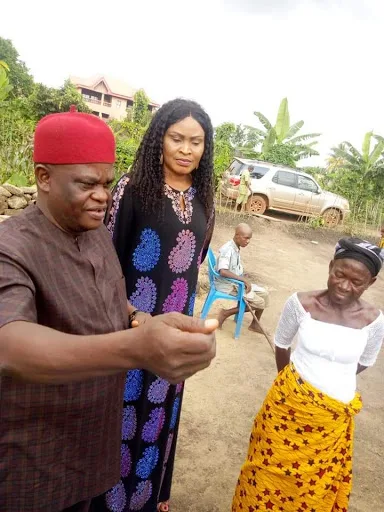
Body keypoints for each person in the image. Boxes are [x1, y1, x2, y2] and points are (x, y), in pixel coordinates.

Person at [0, 108, 218, 512]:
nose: (102, 196)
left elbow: (113, 296)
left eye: (106, 182)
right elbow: (9, 345)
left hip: (93, 445)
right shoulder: (10, 248)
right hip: (37, 458)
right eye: (87, 184)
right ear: (43, 177)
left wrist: (141, 318)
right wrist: (138, 346)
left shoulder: (94, 231)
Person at [94, 98, 215, 512]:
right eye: (176, 138)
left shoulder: (204, 198)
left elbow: (193, 266)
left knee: (160, 415)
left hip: (175, 331)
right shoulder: (133, 189)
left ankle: (148, 496)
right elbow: (107, 260)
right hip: (129, 327)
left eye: (195, 141)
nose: (185, 149)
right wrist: (131, 314)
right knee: (120, 419)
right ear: (158, 141)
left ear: (205, 147)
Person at [232, 237, 384, 512]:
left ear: (371, 283)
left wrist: (330, 382)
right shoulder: (301, 303)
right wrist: (294, 387)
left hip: (332, 423)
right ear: (330, 267)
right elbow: (282, 344)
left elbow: (365, 362)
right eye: (339, 275)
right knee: (266, 475)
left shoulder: (374, 320)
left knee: (315, 490)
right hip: (286, 410)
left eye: (356, 282)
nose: (344, 286)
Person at [215, 223, 269, 333]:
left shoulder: (236, 247)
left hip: (235, 283)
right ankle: (225, 313)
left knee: (265, 294)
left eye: (250, 239)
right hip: (228, 285)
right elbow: (223, 271)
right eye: (246, 238)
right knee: (260, 303)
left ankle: (254, 324)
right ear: (237, 235)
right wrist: (243, 280)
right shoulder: (228, 249)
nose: (248, 241)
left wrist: (242, 279)